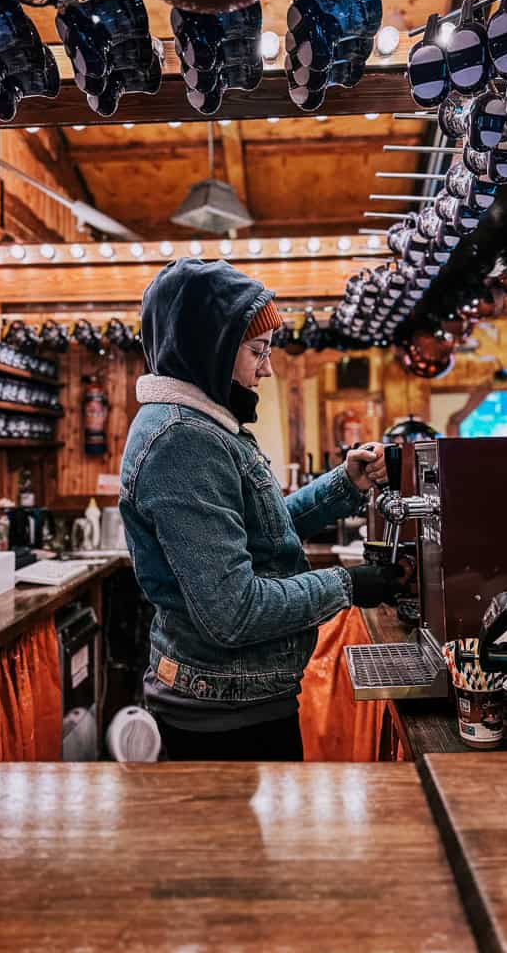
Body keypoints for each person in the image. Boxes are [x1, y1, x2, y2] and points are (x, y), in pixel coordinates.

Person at [119, 258, 406, 761]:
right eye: (257, 351)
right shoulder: (183, 441)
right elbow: (235, 611)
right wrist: (350, 584)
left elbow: (258, 530)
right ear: (210, 349)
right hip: (224, 716)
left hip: (239, 697)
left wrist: (344, 484)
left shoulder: (201, 425)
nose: (268, 368)